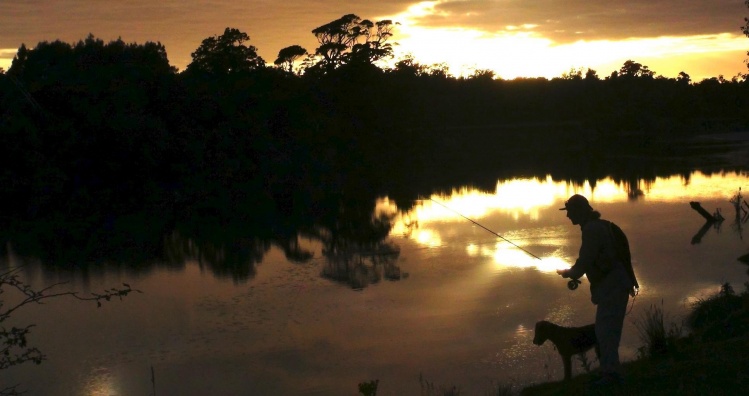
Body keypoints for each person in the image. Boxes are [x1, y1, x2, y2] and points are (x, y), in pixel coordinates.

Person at [556, 194, 636, 386]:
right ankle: (610, 371)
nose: (567, 216)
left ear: (579, 211)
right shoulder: (598, 226)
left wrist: (570, 273)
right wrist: (574, 271)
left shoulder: (591, 230)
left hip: (613, 287)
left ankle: (611, 376)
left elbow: (586, 260)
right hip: (616, 285)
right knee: (606, 331)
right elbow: (591, 259)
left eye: (570, 212)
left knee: (606, 332)